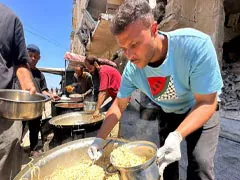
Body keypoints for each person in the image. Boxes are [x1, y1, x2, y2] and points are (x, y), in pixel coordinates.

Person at [87, 1, 223, 180]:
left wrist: (177, 136)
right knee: (165, 165)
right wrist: (99, 140)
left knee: (200, 164)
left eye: (134, 44)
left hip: (200, 108)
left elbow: (207, 102)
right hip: (169, 112)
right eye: (123, 49)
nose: (129, 55)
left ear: (153, 29)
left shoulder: (194, 46)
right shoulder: (132, 70)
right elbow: (119, 106)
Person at [0, 3, 36, 179]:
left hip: (5, 110)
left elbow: (20, 64)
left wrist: (30, 89)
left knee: (6, 163)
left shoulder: (10, 19)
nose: (34, 58)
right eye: (33, 55)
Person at [16, 44, 59, 157]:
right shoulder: (20, 70)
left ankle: (33, 148)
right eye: (30, 55)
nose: (33, 58)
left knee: (34, 128)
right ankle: (16, 149)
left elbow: (43, 90)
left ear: (39, 58)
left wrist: (51, 95)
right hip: (21, 106)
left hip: (35, 106)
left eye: (36, 56)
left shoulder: (40, 74)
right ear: (26, 55)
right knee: (19, 128)